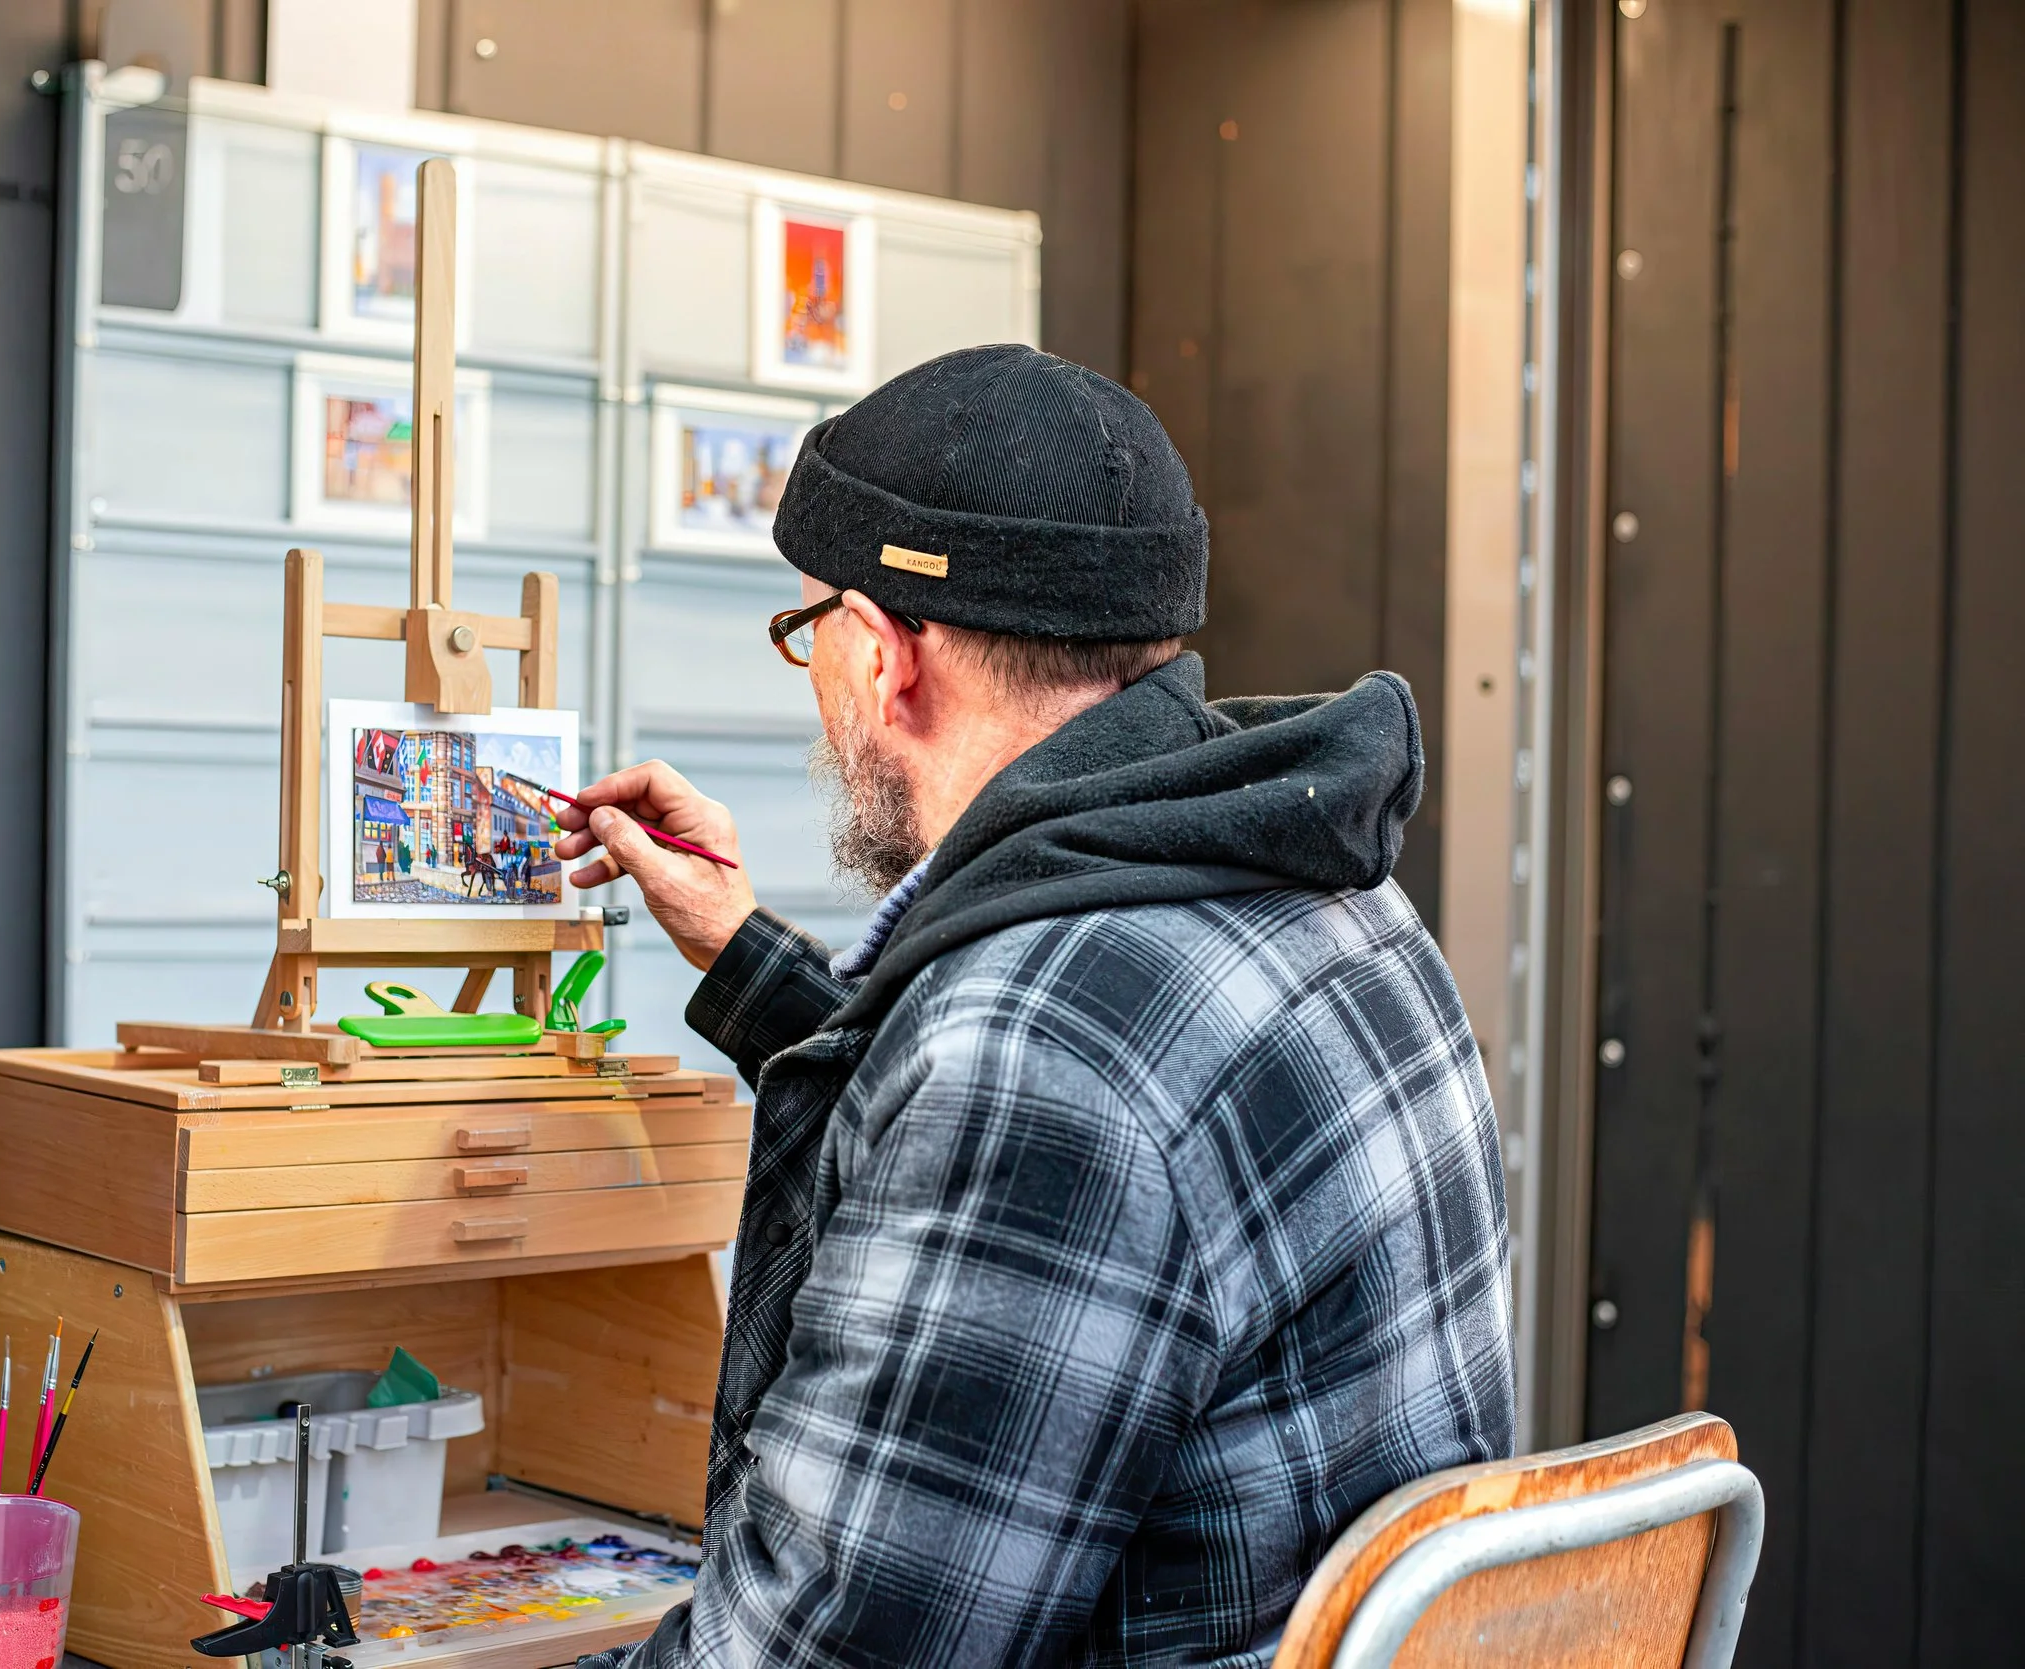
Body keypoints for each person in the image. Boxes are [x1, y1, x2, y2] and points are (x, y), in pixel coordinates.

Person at [550, 345, 1512, 1669]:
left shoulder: (1034, 1054)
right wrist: (746, 956)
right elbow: (1079, 1153)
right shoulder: (1333, 898)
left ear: (884, 655)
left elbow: (817, 1652)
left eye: (806, 632)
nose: (815, 688)